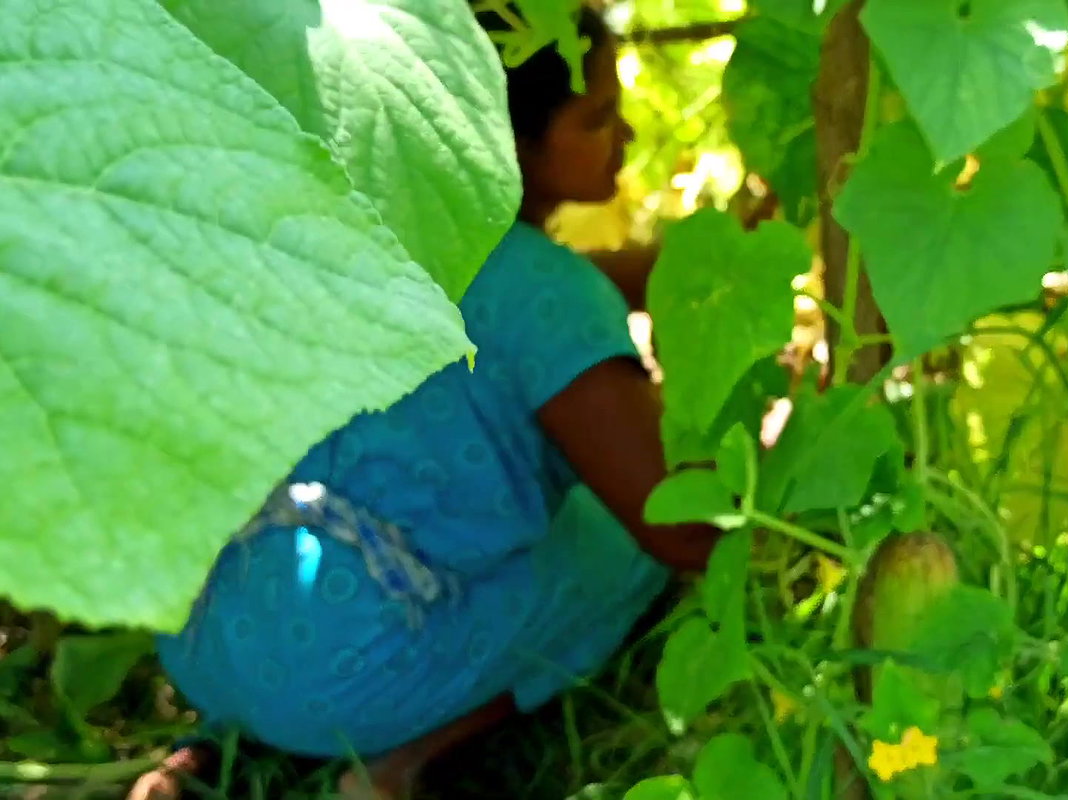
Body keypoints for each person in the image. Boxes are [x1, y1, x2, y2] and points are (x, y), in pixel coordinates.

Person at [127, 5, 746, 798]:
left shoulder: (357, 219)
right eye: (596, 118)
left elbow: (516, 291)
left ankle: (205, 753)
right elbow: (682, 527)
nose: (625, 135)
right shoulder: (551, 298)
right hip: (348, 684)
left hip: (203, 631)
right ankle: (405, 761)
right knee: (613, 547)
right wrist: (764, 452)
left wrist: (676, 268)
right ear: (511, 140)